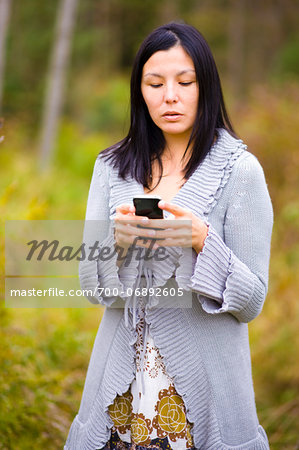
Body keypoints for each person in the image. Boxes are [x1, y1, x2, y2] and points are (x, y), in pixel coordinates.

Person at [64, 22, 273, 450]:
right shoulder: (111, 168)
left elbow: (252, 301)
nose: (170, 96)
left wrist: (202, 240)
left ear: (206, 86)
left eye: (185, 81)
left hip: (205, 394)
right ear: (140, 90)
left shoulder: (240, 172)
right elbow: (90, 285)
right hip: (121, 391)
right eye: (155, 83)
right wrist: (117, 245)